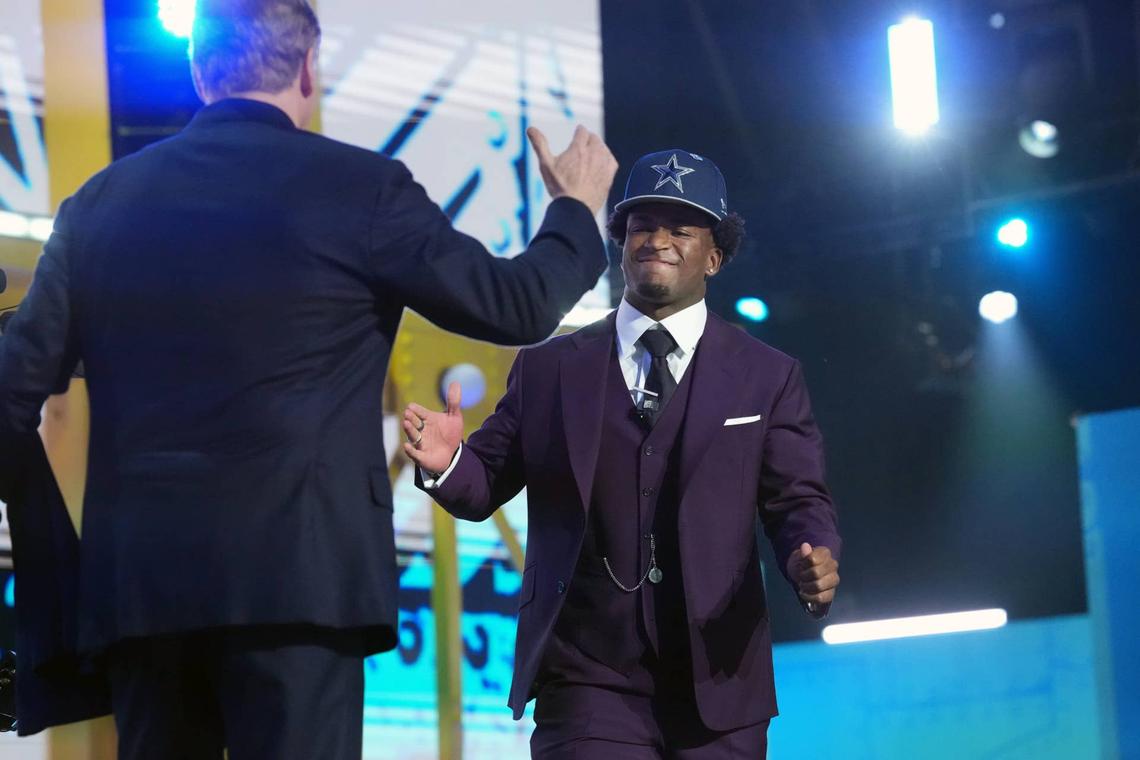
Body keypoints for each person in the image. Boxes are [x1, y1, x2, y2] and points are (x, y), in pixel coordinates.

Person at [0, 0, 618, 755]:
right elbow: (518, 305)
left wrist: (56, 561)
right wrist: (575, 209)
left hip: (142, 597)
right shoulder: (362, 190)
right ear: (307, 68)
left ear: (199, 71)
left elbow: (10, 392)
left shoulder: (97, 206)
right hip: (304, 583)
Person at [404, 149, 841, 758]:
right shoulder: (548, 367)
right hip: (586, 680)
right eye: (641, 226)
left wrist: (810, 559)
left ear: (714, 256)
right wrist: (448, 462)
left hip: (718, 681)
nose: (657, 240)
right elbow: (484, 484)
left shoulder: (767, 377)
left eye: (680, 229)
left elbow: (797, 498)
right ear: (620, 243)